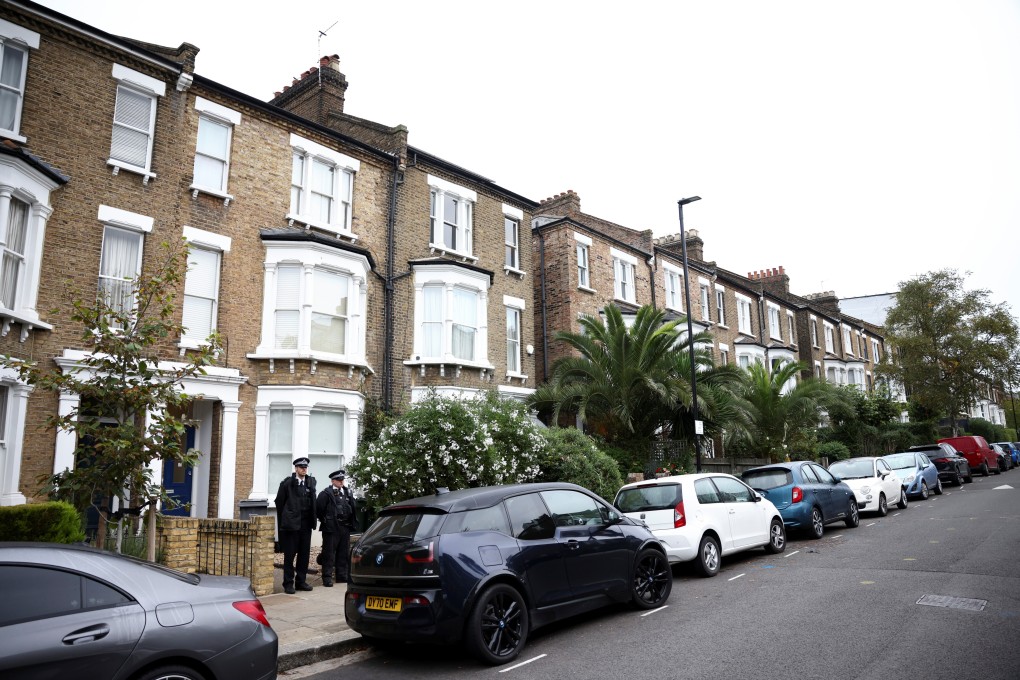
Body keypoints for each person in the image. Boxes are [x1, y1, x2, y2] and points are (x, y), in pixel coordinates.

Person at [275, 457, 317, 594]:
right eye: (301, 467)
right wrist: (287, 518)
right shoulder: (287, 484)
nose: (304, 469)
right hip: (292, 525)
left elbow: (313, 502)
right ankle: (288, 583)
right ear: (296, 468)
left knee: (304, 555)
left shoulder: (310, 483)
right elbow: (279, 502)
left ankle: (301, 582)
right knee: (290, 555)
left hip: (306, 524)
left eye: (305, 467)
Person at [315, 469, 358, 586]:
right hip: (331, 528)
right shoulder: (326, 494)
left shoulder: (347, 492)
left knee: (343, 553)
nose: (341, 482)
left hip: (345, 527)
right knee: (329, 553)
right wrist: (326, 521)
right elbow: (319, 509)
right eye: (338, 480)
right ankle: (327, 578)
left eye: (342, 480)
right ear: (333, 481)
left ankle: (342, 576)